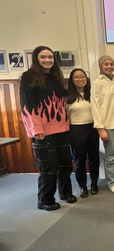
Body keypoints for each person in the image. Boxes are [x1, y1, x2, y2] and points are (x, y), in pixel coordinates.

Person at [20, 46, 76, 211]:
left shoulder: (55, 76)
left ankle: (65, 193)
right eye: (43, 57)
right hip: (42, 132)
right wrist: (36, 129)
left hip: (61, 129)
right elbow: (27, 105)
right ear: (36, 58)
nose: (47, 60)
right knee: (48, 168)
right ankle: (45, 200)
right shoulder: (28, 77)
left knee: (65, 165)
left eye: (50, 57)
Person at [91, 55, 114, 194]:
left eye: (111, 64)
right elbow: (95, 106)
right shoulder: (97, 83)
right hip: (107, 124)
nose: (109, 66)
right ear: (101, 66)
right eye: (106, 64)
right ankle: (112, 182)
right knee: (111, 154)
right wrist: (101, 129)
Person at [66, 68, 100, 198]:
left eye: (82, 77)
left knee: (94, 158)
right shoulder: (67, 97)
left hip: (92, 128)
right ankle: (82, 186)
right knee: (80, 160)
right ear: (72, 80)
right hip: (76, 130)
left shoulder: (92, 94)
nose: (80, 79)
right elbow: (66, 117)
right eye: (76, 77)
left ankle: (94, 184)